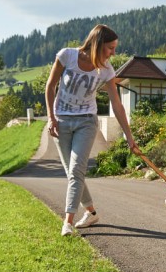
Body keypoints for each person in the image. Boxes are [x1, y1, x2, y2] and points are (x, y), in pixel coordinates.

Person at [45, 24, 140, 236]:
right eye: (110, 48)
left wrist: (129, 136)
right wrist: (51, 118)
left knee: (77, 170)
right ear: (97, 45)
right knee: (72, 173)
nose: (113, 53)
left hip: (86, 121)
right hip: (61, 120)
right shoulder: (67, 56)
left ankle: (67, 222)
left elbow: (117, 104)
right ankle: (91, 212)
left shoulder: (106, 70)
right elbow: (50, 86)